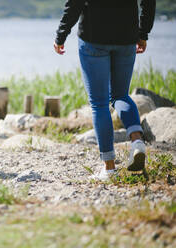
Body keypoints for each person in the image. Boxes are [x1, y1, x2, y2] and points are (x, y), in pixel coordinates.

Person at [54, 0, 156, 180]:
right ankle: (137, 141)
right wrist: (143, 33)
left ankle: (109, 169)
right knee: (121, 95)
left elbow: (74, 3)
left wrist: (61, 36)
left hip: (94, 38)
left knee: (99, 104)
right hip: (126, 38)